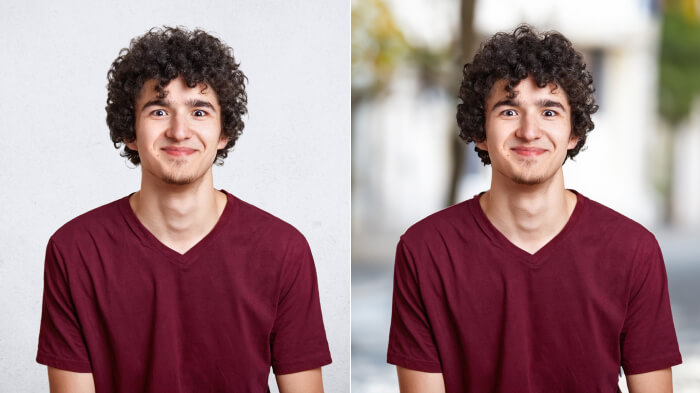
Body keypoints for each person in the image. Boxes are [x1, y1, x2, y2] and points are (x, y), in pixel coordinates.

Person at [387, 25, 682, 393]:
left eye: (550, 112)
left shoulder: (634, 251)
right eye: (509, 111)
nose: (529, 131)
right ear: (480, 130)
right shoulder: (425, 250)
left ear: (573, 132)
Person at [37, 27, 331, 393]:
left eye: (199, 111)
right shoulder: (75, 250)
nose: (179, 131)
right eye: (159, 110)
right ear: (130, 131)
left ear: (223, 132)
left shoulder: (284, 250)